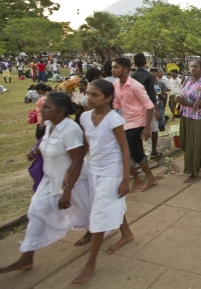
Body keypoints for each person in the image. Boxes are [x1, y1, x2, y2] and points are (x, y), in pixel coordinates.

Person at [0, 92, 90, 275]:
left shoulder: (70, 130)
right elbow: (46, 145)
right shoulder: (49, 125)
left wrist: (68, 191)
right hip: (50, 179)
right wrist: (35, 152)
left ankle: (95, 231)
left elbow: (78, 160)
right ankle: (26, 259)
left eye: (46, 107)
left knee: (89, 211)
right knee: (35, 211)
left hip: (73, 181)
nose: (41, 109)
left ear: (61, 110)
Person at [72, 80, 133, 284]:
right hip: (93, 170)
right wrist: (75, 168)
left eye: (95, 95)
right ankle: (126, 233)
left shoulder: (114, 120)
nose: (89, 98)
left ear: (108, 98)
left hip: (112, 171)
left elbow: (125, 149)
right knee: (109, 203)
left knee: (98, 214)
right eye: (88, 94)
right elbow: (87, 145)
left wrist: (125, 179)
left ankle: (90, 263)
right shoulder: (84, 117)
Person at [111, 57, 157, 193]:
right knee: (133, 150)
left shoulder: (136, 86)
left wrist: (147, 128)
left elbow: (149, 106)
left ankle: (148, 178)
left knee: (130, 150)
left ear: (126, 69)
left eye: (116, 67)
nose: (112, 70)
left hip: (138, 122)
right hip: (125, 122)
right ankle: (141, 179)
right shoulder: (116, 85)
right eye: (112, 67)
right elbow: (116, 105)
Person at [176, 60, 201, 183]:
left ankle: (194, 171)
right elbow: (184, 95)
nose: (192, 69)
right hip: (185, 115)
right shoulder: (188, 81)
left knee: (193, 144)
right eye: (191, 66)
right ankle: (196, 164)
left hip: (197, 118)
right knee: (185, 142)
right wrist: (179, 98)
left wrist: (188, 103)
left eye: (196, 67)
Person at [131, 54, 160, 159]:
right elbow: (152, 95)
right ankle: (153, 151)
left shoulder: (132, 76)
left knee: (138, 129)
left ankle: (141, 153)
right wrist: (157, 110)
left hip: (136, 106)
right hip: (148, 106)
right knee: (154, 128)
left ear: (134, 63)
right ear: (145, 63)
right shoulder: (149, 76)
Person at [150, 67, 169, 133]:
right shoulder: (147, 84)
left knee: (161, 125)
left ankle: (162, 140)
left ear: (157, 73)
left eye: (155, 72)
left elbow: (163, 98)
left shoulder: (161, 84)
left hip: (159, 106)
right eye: (151, 71)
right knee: (151, 127)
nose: (153, 73)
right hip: (150, 107)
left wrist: (158, 93)